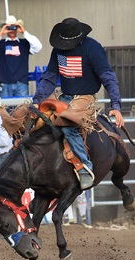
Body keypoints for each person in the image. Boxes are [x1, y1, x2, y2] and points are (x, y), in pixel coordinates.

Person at [32, 18, 125, 190]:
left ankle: (84, 166)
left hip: (86, 97)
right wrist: (37, 101)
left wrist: (116, 106)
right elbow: (50, 76)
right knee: (35, 120)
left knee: (67, 124)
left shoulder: (92, 48)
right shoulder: (58, 50)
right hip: (65, 96)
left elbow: (107, 77)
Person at [0, 15, 42, 98]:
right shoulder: (0, 44)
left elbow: (38, 47)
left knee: (22, 110)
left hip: (21, 84)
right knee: (5, 110)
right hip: (5, 84)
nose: (12, 30)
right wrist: (1, 33)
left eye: (14, 27)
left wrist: (24, 32)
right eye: (9, 27)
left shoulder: (24, 43)